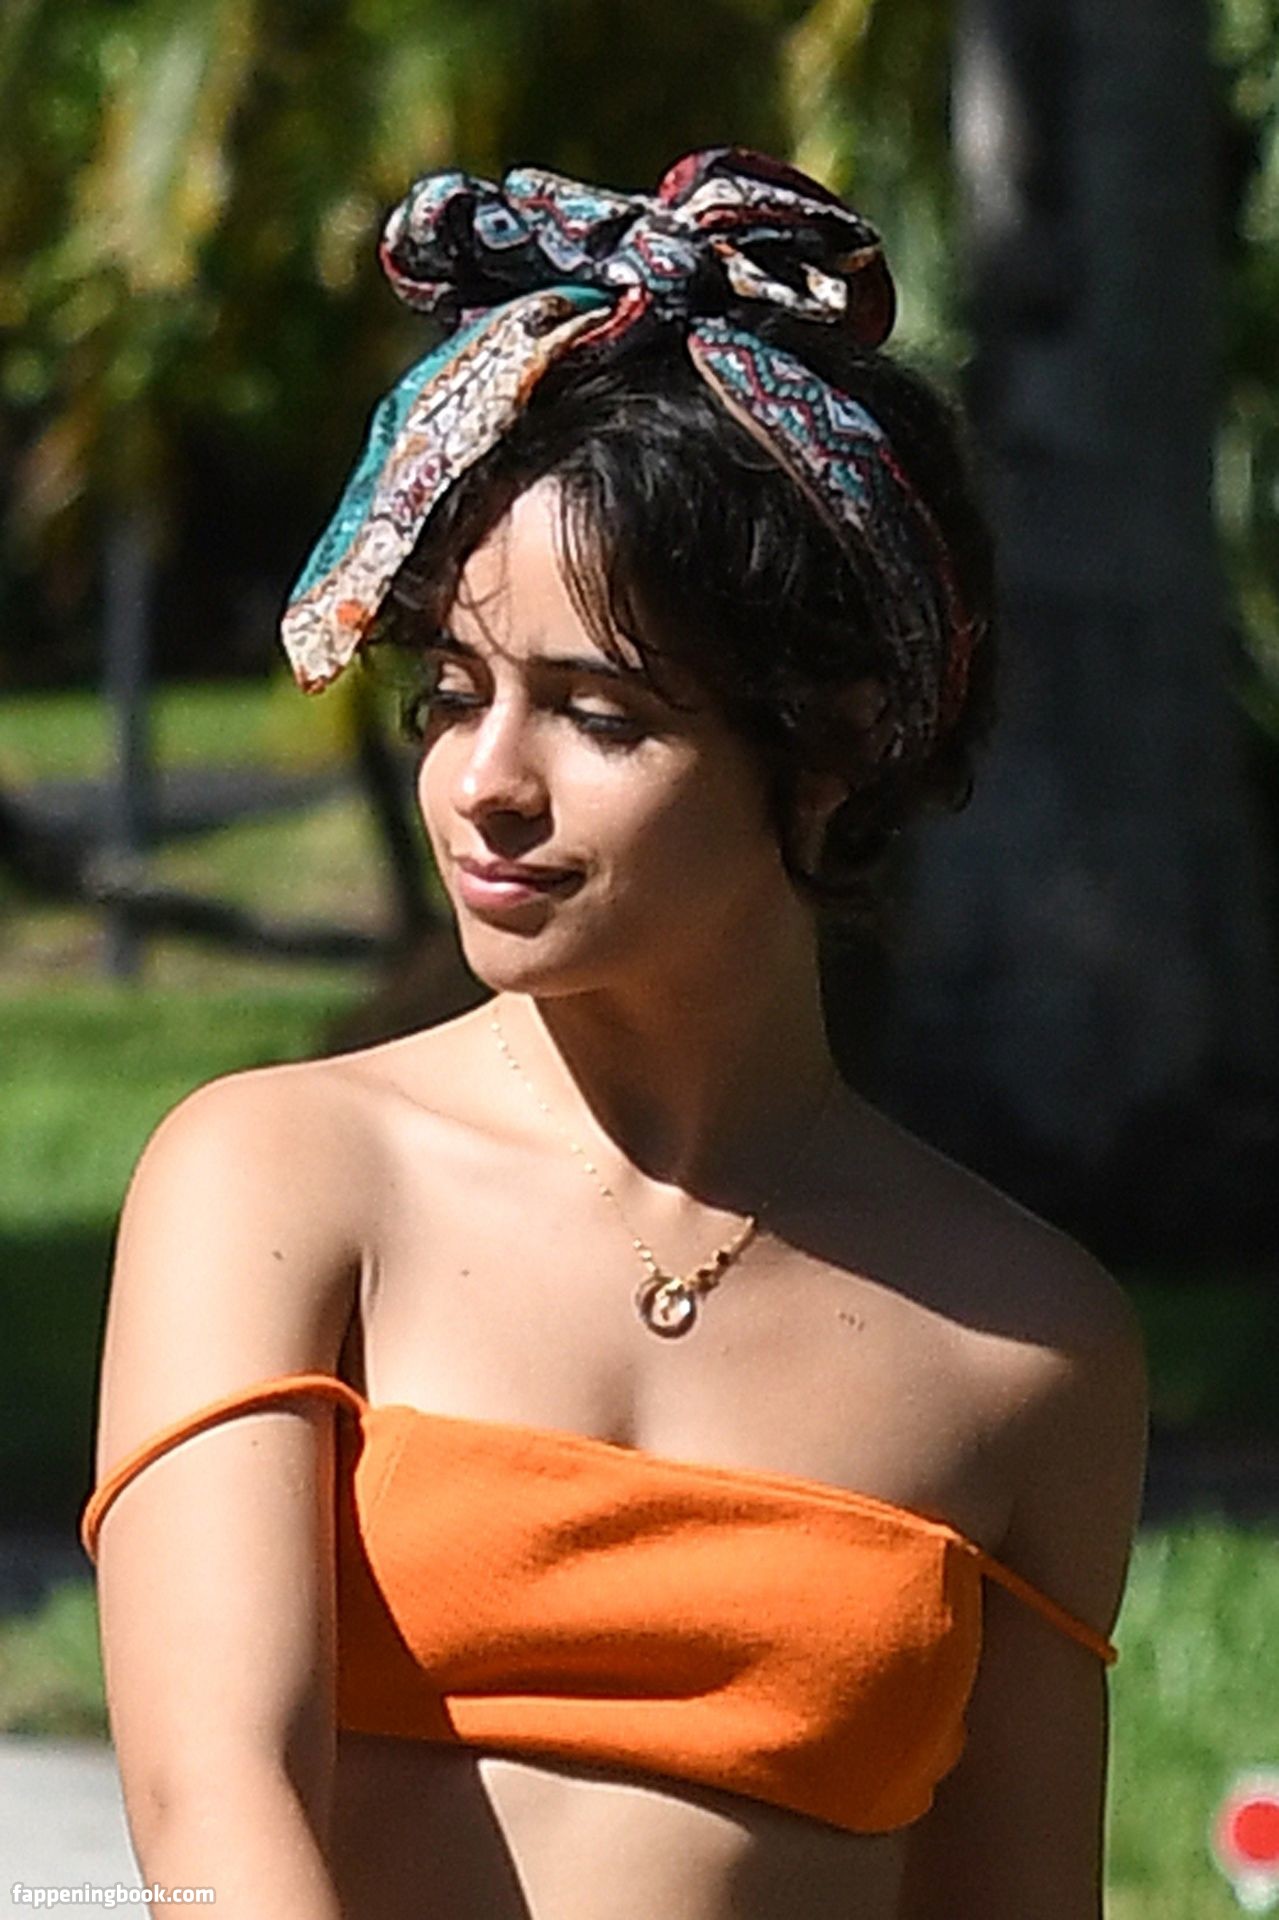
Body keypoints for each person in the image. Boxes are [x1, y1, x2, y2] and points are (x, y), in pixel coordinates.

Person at [81, 149, 1147, 1920]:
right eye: (452, 695)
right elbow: (216, 1804)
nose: (486, 783)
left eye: (597, 713)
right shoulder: (278, 1179)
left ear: (832, 743)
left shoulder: (1029, 1346)